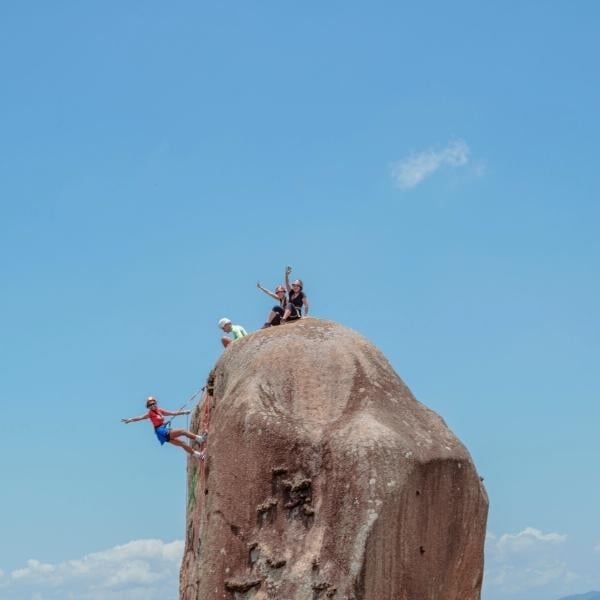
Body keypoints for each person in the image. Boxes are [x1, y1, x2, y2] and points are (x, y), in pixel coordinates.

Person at [121, 397, 207, 459]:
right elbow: (140, 417)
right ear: (148, 406)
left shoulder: (160, 411)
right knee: (182, 431)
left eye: (153, 403)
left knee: (182, 443)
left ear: (156, 403)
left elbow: (172, 413)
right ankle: (200, 439)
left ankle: (199, 455)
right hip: (161, 431)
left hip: (163, 431)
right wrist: (130, 419)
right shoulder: (150, 414)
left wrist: (184, 412)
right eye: (150, 405)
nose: (152, 405)